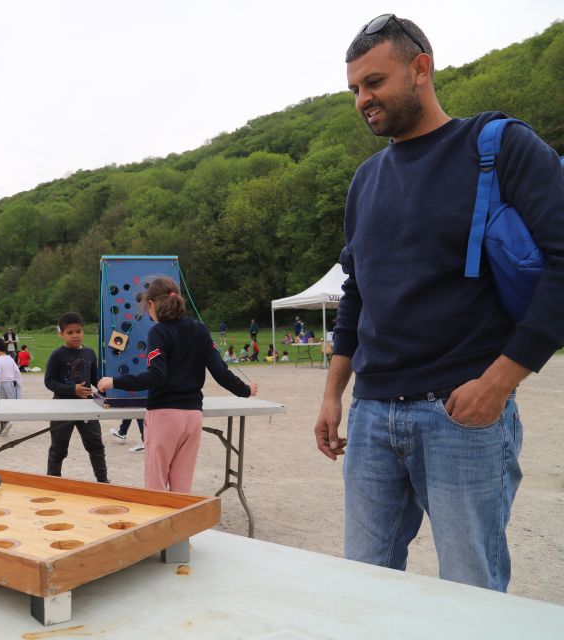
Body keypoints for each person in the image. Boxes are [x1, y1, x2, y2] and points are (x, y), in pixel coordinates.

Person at [314, 14, 564, 593]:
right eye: (354, 89)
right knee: (365, 587)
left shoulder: (498, 146)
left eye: (374, 82)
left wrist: (499, 382)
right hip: (373, 416)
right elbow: (357, 293)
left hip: (462, 414)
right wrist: (334, 393)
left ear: (420, 69)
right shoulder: (365, 180)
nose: (362, 100)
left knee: (470, 594)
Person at [97, 278, 257, 492]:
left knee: (156, 487)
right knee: (182, 488)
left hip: (164, 416)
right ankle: (181, 525)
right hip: (192, 417)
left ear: (152, 305)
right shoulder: (199, 329)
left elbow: (156, 377)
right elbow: (220, 372)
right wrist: (246, 390)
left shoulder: (158, 332)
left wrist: (114, 381)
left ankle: (160, 525)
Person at [44, 311, 108, 483]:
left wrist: (107, 389)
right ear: (61, 334)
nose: (75, 335)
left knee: (96, 446)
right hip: (62, 408)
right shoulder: (57, 355)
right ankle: (53, 483)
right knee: (58, 448)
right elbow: (49, 382)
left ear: (83, 331)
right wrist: (73, 390)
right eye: (70, 332)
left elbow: (96, 380)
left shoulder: (90, 353)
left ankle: (103, 482)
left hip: (87, 408)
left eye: (78, 331)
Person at [0, 337, 22, 435]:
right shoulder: (10, 359)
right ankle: (4, 424)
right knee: (8, 405)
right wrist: (17, 384)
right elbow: (17, 372)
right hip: (11, 384)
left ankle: (4, 423)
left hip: (1, 385)